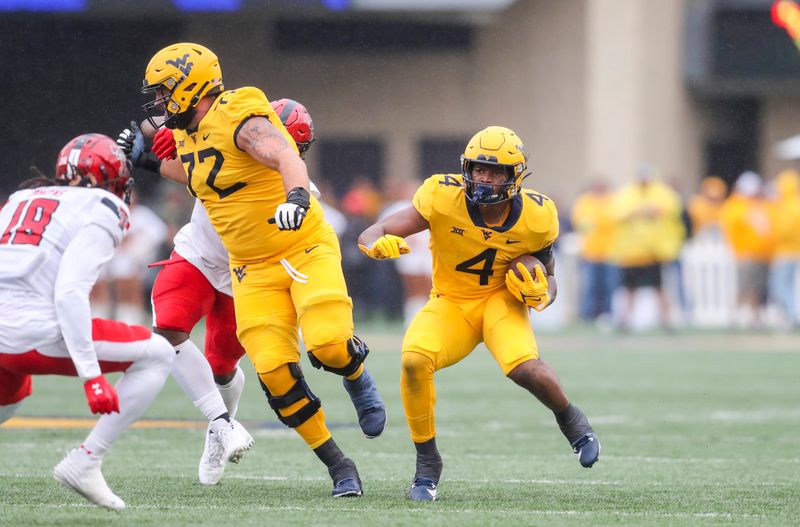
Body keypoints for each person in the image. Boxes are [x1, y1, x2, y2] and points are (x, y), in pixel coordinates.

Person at [139, 43, 386, 497]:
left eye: (163, 93)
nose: (157, 103)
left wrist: (295, 198)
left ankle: (356, 374)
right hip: (249, 266)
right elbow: (205, 178)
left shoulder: (239, 113)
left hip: (302, 245)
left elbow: (286, 156)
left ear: (190, 87)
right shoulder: (191, 133)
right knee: (273, 370)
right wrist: (150, 159)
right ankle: (338, 465)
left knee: (329, 343)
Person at [357, 126, 600, 501]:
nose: (484, 178)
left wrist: (542, 294)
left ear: (515, 176)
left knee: (525, 368)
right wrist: (373, 244)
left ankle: (572, 421)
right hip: (451, 301)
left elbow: (550, 279)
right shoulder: (442, 195)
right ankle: (427, 464)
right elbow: (379, 228)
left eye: (496, 171)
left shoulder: (537, 216)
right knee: (412, 360)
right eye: (478, 169)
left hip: (501, 300)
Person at [115, 98, 320, 486]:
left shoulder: (301, 191)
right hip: (197, 254)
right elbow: (198, 169)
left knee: (221, 368)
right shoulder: (230, 140)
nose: (263, 148)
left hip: (245, 275)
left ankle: (218, 428)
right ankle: (222, 422)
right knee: (168, 329)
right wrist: (150, 153)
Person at [0, 134, 175, 510]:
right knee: (159, 353)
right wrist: (92, 375)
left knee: (10, 395)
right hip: (33, 336)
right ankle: (87, 459)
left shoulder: (20, 199)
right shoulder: (102, 205)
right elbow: (69, 291)